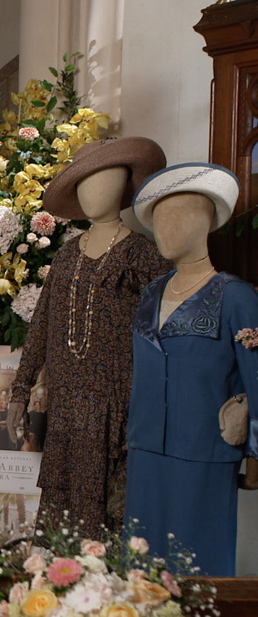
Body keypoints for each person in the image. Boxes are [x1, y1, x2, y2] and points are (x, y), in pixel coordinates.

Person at [8, 137, 170, 537]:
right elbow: (41, 327)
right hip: (66, 409)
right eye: (85, 181)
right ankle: (60, 588)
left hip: (116, 409)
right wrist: (20, 390)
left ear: (125, 186)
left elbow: (168, 336)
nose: (95, 190)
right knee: (61, 521)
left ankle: (106, 593)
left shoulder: (144, 255)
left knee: (112, 519)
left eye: (107, 179)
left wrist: (154, 408)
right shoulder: (65, 255)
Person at [124, 164, 258, 575]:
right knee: (141, 566)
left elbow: (257, 381)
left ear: (204, 223)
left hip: (204, 452)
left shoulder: (236, 297)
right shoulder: (150, 294)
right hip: (146, 450)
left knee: (200, 565)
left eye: (176, 216)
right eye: (157, 220)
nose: (164, 229)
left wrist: (255, 459)